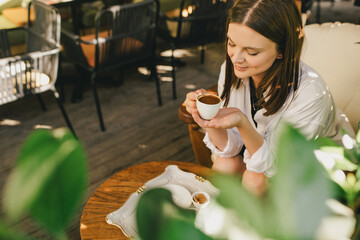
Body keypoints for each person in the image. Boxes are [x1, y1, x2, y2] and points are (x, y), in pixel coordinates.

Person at [183, 0, 351, 196]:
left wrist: (242, 123)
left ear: (282, 50)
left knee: (255, 180)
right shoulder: (234, 70)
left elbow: (277, 166)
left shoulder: (311, 94)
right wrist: (208, 119)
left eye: (251, 52)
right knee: (225, 165)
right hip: (264, 155)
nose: (235, 58)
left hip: (310, 165)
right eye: (231, 43)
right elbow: (231, 148)